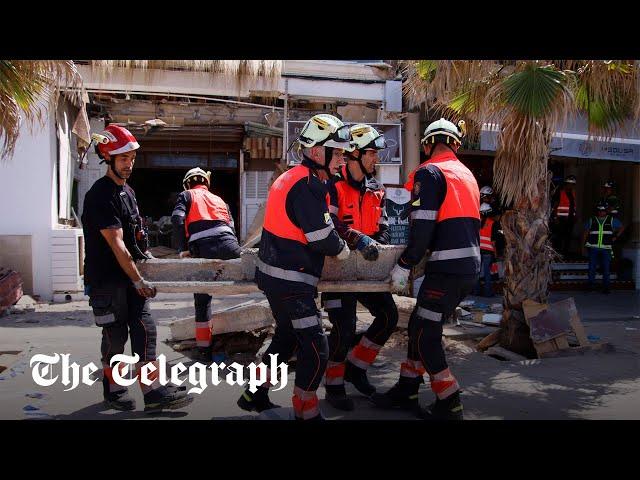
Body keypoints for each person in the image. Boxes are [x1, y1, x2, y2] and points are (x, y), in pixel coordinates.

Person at [236, 114, 351, 421]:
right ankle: (307, 413)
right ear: (317, 152)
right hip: (291, 282)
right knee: (316, 348)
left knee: (286, 338)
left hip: (276, 277)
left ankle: (253, 395)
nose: (342, 158)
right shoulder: (308, 185)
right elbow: (322, 238)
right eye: (337, 152)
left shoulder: (293, 177)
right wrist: (343, 249)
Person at [372, 118, 480, 420]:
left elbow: (423, 225)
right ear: (455, 144)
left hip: (446, 268)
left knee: (425, 334)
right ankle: (407, 388)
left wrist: (404, 264)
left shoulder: (430, 172)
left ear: (428, 145)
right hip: (467, 267)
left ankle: (449, 399)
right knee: (420, 325)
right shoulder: (465, 174)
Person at [82, 124, 192, 413]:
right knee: (115, 336)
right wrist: (138, 279)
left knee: (145, 330)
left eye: (131, 158)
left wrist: (147, 264)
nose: (129, 164)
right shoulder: (99, 195)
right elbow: (117, 245)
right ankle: (114, 389)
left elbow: (134, 239)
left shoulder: (127, 192)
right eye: (122, 159)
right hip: (108, 279)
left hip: (131, 277)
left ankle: (153, 391)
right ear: (108, 158)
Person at [320, 124, 398, 411]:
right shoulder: (333, 186)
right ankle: (334, 384)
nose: (376, 158)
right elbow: (329, 225)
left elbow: (385, 227)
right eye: (371, 153)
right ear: (353, 154)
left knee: (388, 316)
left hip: (367, 271)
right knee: (343, 327)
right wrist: (357, 239)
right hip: (338, 270)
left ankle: (356, 366)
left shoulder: (376, 189)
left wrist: (380, 245)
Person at [171, 167, 241, 359]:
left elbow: (177, 218)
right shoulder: (220, 200)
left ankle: (204, 350)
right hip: (230, 246)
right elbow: (231, 226)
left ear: (187, 184)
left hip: (203, 249)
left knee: (202, 300)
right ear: (206, 183)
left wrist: (183, 248)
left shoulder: (186, 195)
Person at [582, 202, 623, 294]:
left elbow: (621, 227)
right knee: (592, 267)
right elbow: (585, 233)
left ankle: (606, 287)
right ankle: (591, 285)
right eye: (600, 210)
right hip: (593, 247)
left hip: (606, 248)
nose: (601, 212)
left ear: (606, 211)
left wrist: (615, 236)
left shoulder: (612, 220)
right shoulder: (591, 220)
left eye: (603, 210)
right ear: (597, 211)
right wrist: (583, 246)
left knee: (606, 268)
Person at [473, 202, 503, 297]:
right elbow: (493, 241)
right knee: (487, 273)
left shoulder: (478, 221)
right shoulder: (493, 223)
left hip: (478, 251)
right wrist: (496, 253)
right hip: (488, 251)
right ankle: (487, 292)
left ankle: (476, 291)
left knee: (477, 272)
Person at [551, 175, 578, 258]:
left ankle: (565, 254)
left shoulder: (573, 193)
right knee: (559, 237)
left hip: (570, 220)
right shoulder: (560, 192)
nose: (572, 186)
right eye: (570, 184)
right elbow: (555, 206)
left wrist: (575, 216)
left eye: (573, 184)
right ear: (566, 184)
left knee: (568, 237)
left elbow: (573, 206)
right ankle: (557, 253)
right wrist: (555, 218)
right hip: (561, 219)